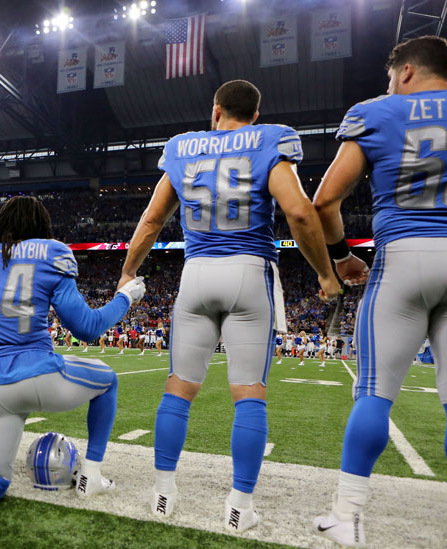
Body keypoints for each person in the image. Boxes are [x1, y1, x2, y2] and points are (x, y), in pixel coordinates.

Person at [120, 80, 340, 532]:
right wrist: (324, 272)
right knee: (249, 395)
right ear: (255, 115)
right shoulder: (268, 138)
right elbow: (299, 212)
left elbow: (152, 219)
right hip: (248, 272)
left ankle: (163, 494)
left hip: (196, 274)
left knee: (177, 391)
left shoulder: (183, 147)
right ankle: (239, 507)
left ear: (215, 110)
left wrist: (128, 272)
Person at [0, 196, 146, 544]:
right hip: (40, 374)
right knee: (108, 381)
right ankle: (91, 476)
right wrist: (125, 298)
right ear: (41, 228)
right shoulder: (50, 254)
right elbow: (87, 328)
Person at [311, 36, 447, 546]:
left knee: (373, 393)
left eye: (393, 77)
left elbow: (325, 199)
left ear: (407, 71)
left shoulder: (377, 112)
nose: (389, 85)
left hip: (403, 260)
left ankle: (346, 518)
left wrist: (344, 254)